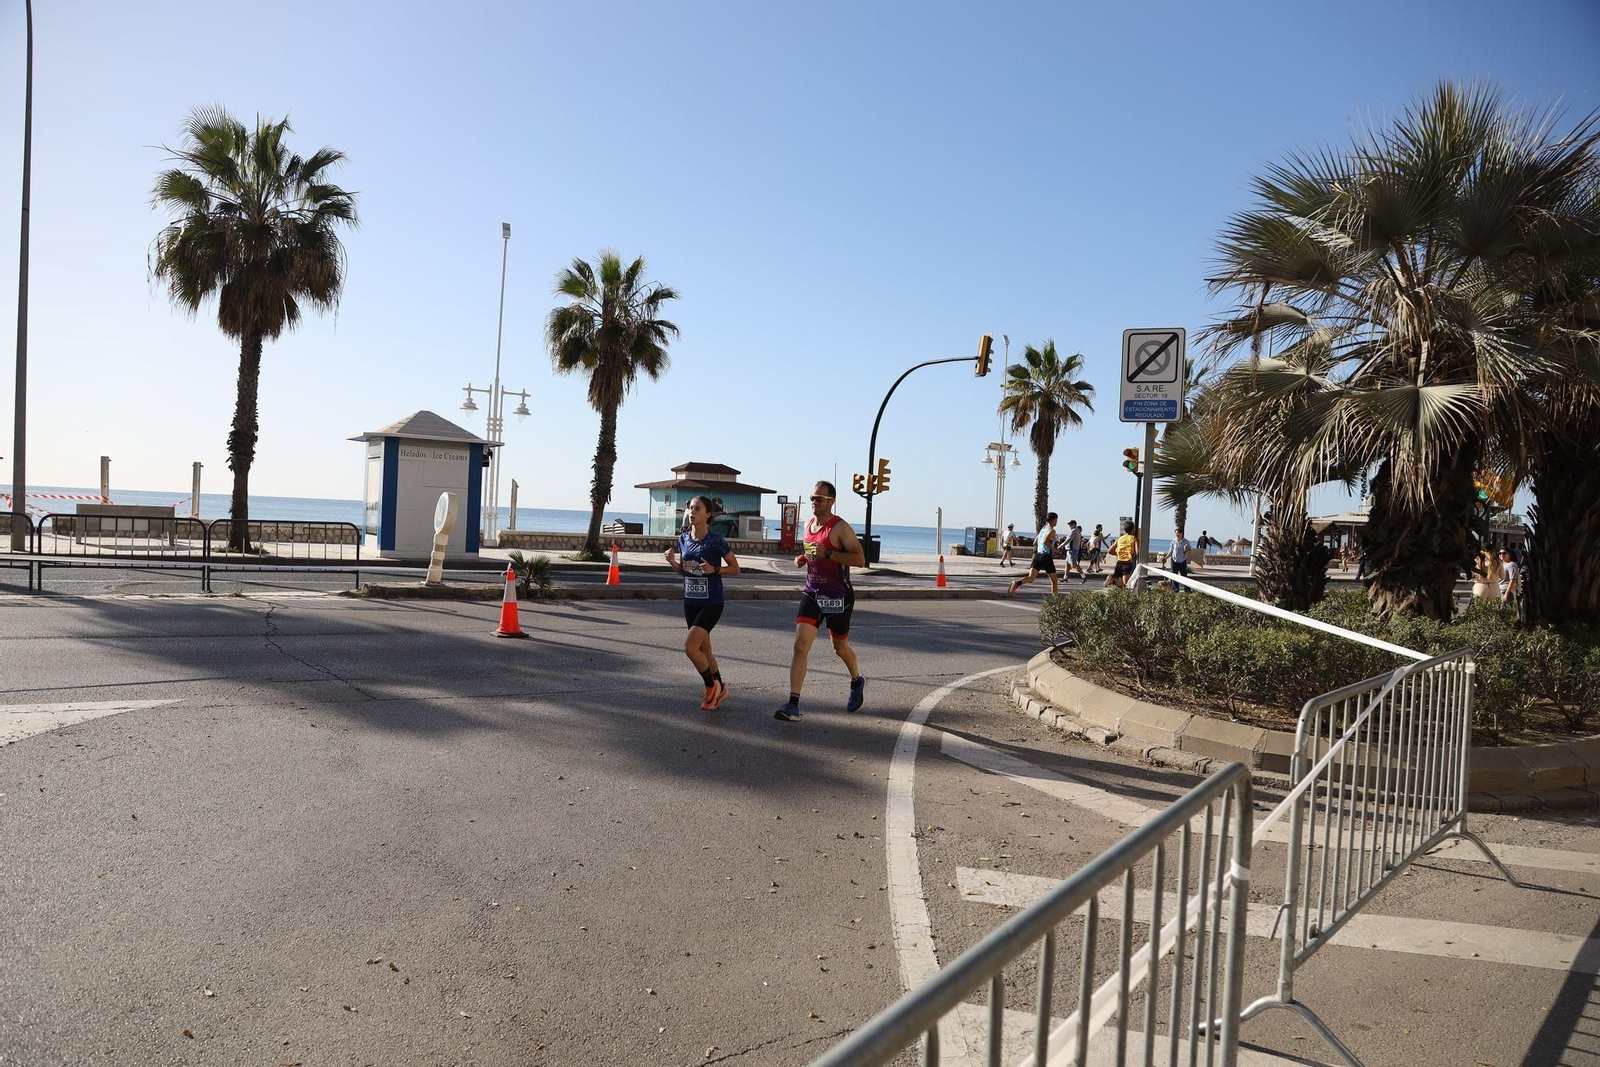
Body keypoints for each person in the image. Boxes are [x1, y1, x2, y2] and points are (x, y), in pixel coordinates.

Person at [776, 482, 867, 722]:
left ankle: (857, 681)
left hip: (839, 596)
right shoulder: (807, 524)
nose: (815, 502)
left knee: (839, 648)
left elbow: (859, 559)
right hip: (812, 593)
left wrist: (828, 553)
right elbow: (812, 550)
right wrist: (804, 558)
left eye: (819, 498)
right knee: (800, 646)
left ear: (831, 501)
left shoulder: (840, 528)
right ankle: (793, 703)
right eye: (812, 498)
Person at [665, 496, 741, 709]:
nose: (692, 512)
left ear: (707, 514)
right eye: (690, 508)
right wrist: (672, 562)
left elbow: (736, 568)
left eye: (697, 509)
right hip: (691, 601)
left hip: (712, 602)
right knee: (705, 651)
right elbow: (685, 572)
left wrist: (715, 569)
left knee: (690, 647)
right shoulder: (683, 539)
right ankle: (721, 688)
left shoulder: (716, 541)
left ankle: (710, 686)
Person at [1009, 513, 1062, 597]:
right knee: (1054, 580)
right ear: (1053, 520)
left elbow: (1034, 543)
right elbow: (1045, 541)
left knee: (1031, 578)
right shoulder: (1052, 530)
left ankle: (1016, 583)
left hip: (1038, 556)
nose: (1057, 522)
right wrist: (1054, 549)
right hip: (1046, 556)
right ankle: (1054, 600)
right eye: (1056, 520)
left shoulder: (1043, 529)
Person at [1105, 520, 1140, 588]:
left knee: (1121, 586)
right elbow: (1137, 552)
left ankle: (1112, 580)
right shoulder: (1134, 539)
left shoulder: (1120, 539)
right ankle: (1111, 579)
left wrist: (1118, 554)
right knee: (1125, 586)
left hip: (1119, 563)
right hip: (1128, 563)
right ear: (1133, 529)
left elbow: (1109, 551)